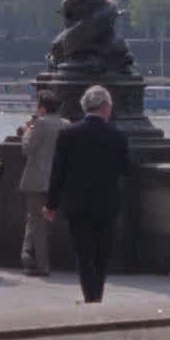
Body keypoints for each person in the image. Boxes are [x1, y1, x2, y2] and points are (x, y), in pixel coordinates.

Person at [46, 84, 133, 304]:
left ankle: (90, 295)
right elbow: (127, 170)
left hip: (77, 205)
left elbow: (58, 173)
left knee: (83, 253)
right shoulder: (118, 137)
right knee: (102, 253)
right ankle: (98, 294)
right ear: (105, 107)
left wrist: (51, 205)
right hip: (106, 204)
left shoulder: (68, 135)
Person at [15, 92, 68, 277]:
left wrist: (27, 130)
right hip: (57, 181)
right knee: (40, 220)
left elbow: (27, 148)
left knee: (37, 222)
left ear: (43, 108)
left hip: (37, 180)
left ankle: (41, 264)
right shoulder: (65, 124)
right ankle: (27, 255)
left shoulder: (41, 123)